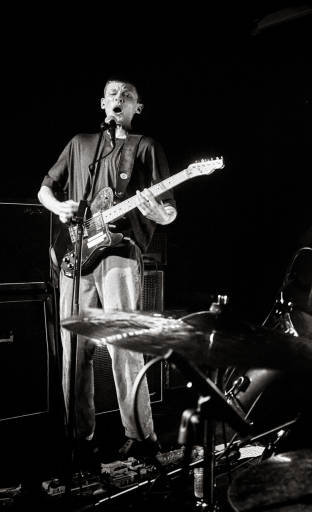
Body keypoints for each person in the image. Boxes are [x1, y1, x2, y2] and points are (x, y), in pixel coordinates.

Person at [38, 75, 177, 469]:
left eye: (128, 96)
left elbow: (168, 209)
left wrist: (157, 213)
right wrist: (59, 207)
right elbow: (45, 188)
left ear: (138, 108)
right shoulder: (82, 144)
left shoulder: (145, 146)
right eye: (114, 94)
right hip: (75, 254)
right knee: (74, 352)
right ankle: (78, 440)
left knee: (123, 347)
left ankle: (141, 438)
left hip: (119, 252)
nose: (120, 99)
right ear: (102, 103)